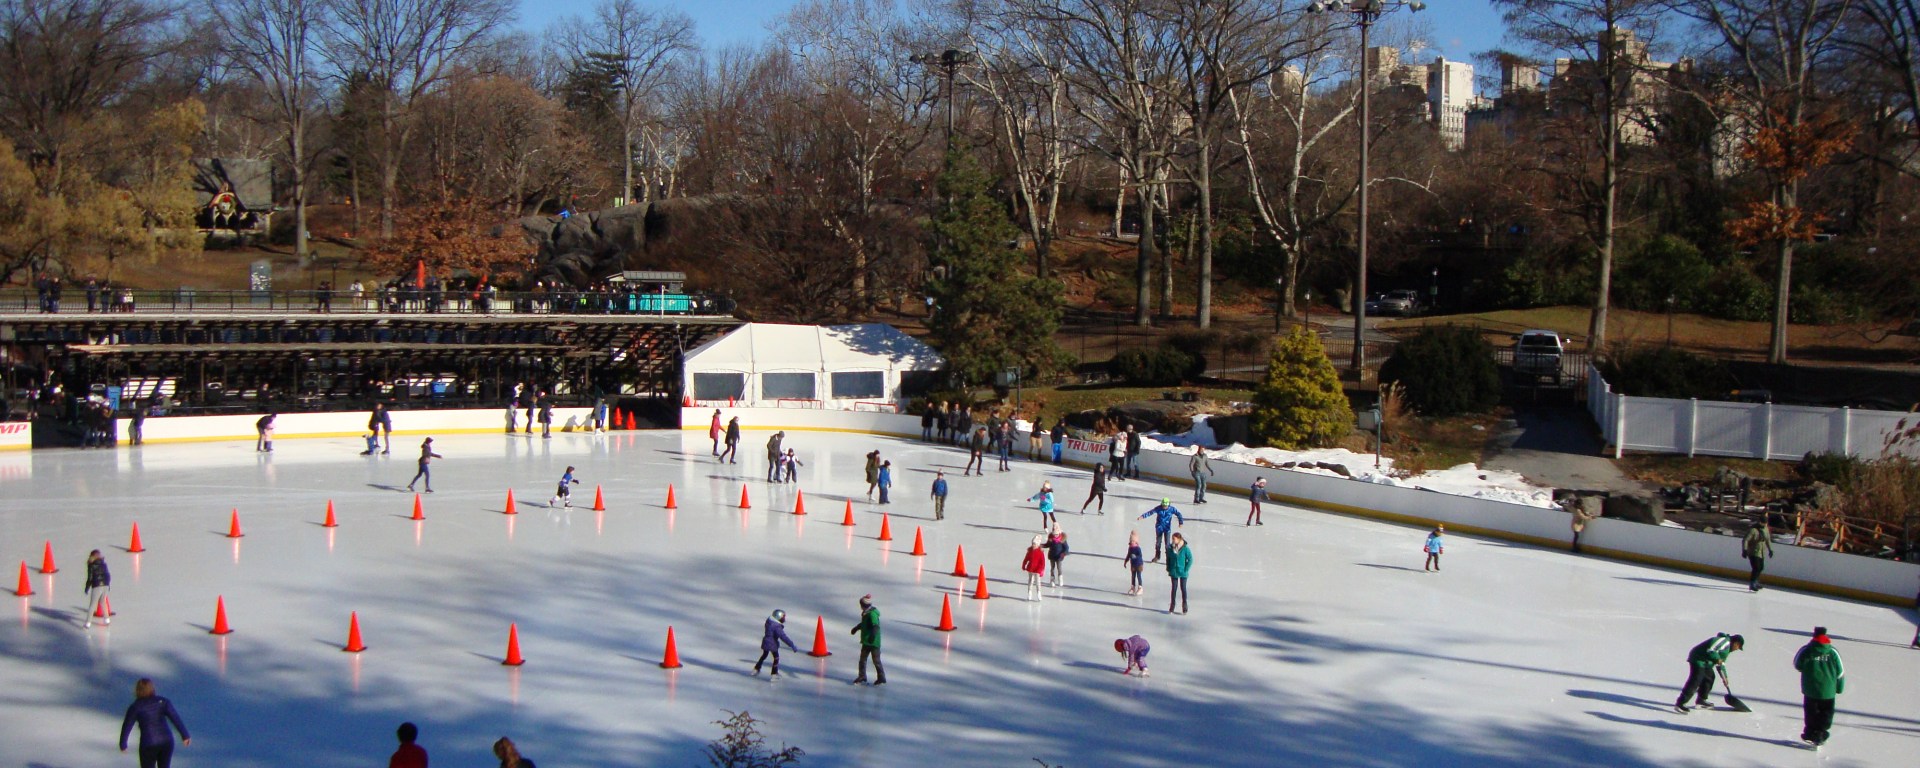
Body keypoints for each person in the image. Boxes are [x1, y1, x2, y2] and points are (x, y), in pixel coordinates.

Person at [120, 678, 190, 768]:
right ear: (152, 688)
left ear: (137, 690)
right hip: (166, 741)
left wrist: (123, 744)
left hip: (148, 744)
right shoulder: (163, 702)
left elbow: (127, 726)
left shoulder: (135, 707)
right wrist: (185, 735)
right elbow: (175, 718)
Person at [1793, 626, 1845, 746]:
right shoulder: (1832, 652)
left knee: (1811, 713)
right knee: (1825, 714)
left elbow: (1797, 665)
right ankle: (1820, 734)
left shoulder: (1806, 650)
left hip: (1810, 690)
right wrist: (1839, 688)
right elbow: (1840, 672)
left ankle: (1810, 733)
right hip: (1828, 691)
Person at [1673, 632, 1743, 713]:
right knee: (1696, 680)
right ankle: (1680, 703)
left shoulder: (1727, 650)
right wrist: (1717, 659)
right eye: (1738, 647)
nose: (1737, 649)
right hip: (1698, 658)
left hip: (1706, 663)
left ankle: (1701, 700)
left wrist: (1724, 678)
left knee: (1709, 678)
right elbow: (1711, 649)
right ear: (1736, 643)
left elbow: (1721, 664)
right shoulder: (1724, 641)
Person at [849, 594, 885, 685]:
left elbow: (875, 626)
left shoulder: (872, 614)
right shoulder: (866, 613)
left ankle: (881, 677)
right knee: (863, 659)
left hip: (873, 642)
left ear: (864, 605)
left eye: (861, 605)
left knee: (876, 660)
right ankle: (862, 676)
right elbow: (864, 624)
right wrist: (856, 628)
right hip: (866, 641)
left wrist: (872, 637)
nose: (860, 607)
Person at [754, 609, 799, 677]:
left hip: (766, 641)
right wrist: (792, 645)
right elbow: (783, 637)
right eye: (783, 617)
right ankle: (774, 674)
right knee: (776, 658)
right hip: (772, 643)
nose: (784, 619)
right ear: (778, 617)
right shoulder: (777, 627)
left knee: (764, 655)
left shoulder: (769, 622)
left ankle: (756, 668)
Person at [1742, 522, 1774, 592]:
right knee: (1756, 568)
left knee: (1761, 567)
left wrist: (1770, 550)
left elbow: (1768, 540)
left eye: (1765, 523)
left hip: (1761, 552)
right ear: (1760, 522)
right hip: (1753, 552)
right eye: (1763, 523)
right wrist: (1744, 550)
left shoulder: (1766, 529)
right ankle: (1752, 584)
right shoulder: (1753, 530)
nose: (1765, 524)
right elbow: (1746, 540)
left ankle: (1756, 582)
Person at [1166, 532, 1192, 614]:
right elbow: (1168, 558)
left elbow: (1190, 559)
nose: (1173, 540)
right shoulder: (1170, 549)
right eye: (1172, 539)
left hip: (1183, 572)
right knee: (1174, 588)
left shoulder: (1185, 548)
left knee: (1183, 588)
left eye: (1174, 539)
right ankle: (1172, 605)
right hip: (1174, 571)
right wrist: (1169, 568)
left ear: (1179, 539)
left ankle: (1184, 605)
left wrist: (1186, 568)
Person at [85, 549, 111, 628]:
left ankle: (88, 623)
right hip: (105, 585)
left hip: (97, 586)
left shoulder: (91, 565)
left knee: (92, 605)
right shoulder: (104, 564)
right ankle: (107, 620)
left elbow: (90, 578)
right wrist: (108, 584)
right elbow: (108, 575)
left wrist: (87, 587)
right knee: (103, 602)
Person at [1023, 535, 1048, 601]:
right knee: (1030, 581)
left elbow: (1042, 563)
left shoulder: (1040, 553)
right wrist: (1024, 564)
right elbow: (1026, 559)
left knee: (1037, 582)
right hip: (1030, 569)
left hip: (1037, 570)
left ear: (1037, 545)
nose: (1033, 545)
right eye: (1032, 544)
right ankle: (1029, 593)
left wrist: (1041, 570)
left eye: (1034, 544)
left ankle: (1039, 593)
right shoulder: (1030, 551)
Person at [1123, 531, 1145, 595]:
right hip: (1133, 564)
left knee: (1138, 575)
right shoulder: (1130, 548)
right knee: (1133, 576)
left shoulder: (1138, 548)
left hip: (1139, 564)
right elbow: (1128, 555)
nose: (1131, 542)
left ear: (1136, 542)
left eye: (1133, 541)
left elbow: (1140, 555)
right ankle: (1133, 587)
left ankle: (1140, 587)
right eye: (1131, 540)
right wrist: (1125, 561)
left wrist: (1136, 556)